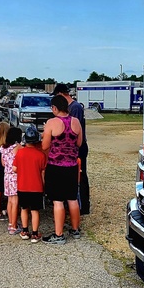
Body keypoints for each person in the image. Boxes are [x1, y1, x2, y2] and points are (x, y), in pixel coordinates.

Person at [41, 94, 83, 244]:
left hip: (55, 166)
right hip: (72, 166)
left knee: (58, 201)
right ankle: (75, 230)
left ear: (54, 108)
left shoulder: (52, 122)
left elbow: (45, 146)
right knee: (72, 198)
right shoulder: (76, 121)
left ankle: (59, 235)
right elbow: (79, 143)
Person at [54, 83, 90, 215]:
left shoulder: (75, 108)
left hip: (78, 147)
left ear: (61, 94)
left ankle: (83, 206)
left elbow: (75, 131)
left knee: (80, 175)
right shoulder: (68, 107)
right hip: (71, 147)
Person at [14, 125, 47, 244]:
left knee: (24, 208)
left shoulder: (20, 153)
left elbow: (14, 168)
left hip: (22, 186)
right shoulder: (41, 155)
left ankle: (24, 231)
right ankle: (34, 233)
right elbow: (43, 172)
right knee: (35, 210)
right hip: (36, 187)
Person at [0, 125, 23, 234]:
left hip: (6, 176)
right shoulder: (17, 147)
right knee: (15, 201)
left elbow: (3, 163)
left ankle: (10, 223)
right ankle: (14, 225)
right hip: (15, 176)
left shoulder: (3, 148)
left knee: (9, 200)